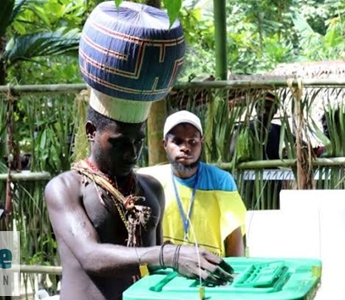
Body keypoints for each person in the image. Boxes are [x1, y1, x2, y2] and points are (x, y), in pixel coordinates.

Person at [44, 2, 234, 300]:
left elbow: (156, 274)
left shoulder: (150, 189)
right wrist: (168, 254)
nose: (131, 153)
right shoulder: (65, 188)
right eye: (118, 142)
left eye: (138, 141)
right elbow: (90, 255)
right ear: (91, 132)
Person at [137, 111, 247, 257]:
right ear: (164, 144)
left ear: (202, 142)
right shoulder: (150, 180)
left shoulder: (221, 181)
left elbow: (234, 238)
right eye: (177, 141)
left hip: (212, 271)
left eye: (192, 141)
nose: (185, 147)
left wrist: (235, 275)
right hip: (164, 273)